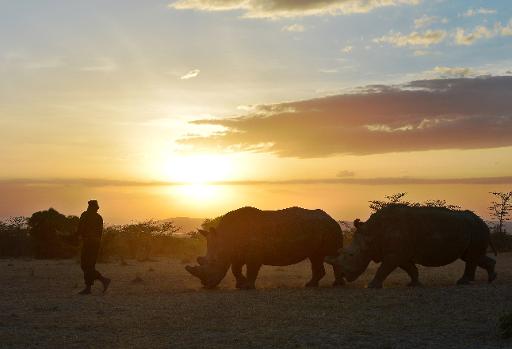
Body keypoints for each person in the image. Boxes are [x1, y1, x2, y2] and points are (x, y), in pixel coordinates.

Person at [77, 200, 110, 295]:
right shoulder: (99, 217)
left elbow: (80, 229)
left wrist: (74, 237)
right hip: (96, 244)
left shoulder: (85, 215)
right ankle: (98, 283)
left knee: (86, 266)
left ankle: (100, 282)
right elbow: (100, 233)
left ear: (89, 207)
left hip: (88, 244)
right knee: (89, 266)